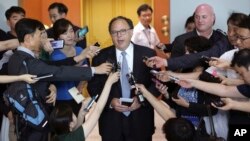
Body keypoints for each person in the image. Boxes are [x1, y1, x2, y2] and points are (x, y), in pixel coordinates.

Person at [8, 18, 111, 141]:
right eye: (40, 35)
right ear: (28, 39)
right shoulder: (28, 61)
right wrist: (94, 70)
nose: (44, 39)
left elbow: (55, 67)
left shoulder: (17, 57)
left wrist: (52, 85)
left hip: (30, 118)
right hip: (34, 121)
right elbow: (58, 72)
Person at [87, 16, 159, 141]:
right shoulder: (100, 57)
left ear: (131, 32)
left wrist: (143, 100)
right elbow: (93, 86)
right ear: (110, 35)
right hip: (111, 122)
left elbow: (157, 83)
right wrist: (110, 101)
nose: (119, 35)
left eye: (123, 31)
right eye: (114, 32)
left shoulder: (148, 54)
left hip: (141, 119)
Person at [50, 72, 120, 141]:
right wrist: (109, 82)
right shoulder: (72, 138)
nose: (74, 113)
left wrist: (81, 113)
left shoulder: (57, 136)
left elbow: (76, 130)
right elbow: (98, 110)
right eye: (72, 114)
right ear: (70, 125)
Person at [50, 18, 90, 115]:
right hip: (61, 98)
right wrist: (82, 57)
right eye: (64, 32)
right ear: (58, 36)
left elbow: (86, 70)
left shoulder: (79, 49)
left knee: (80, 123)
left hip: (77, 95)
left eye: (71, 31)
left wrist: (80, 86)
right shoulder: (55, 55)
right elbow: (67, 71)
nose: (70, 35)